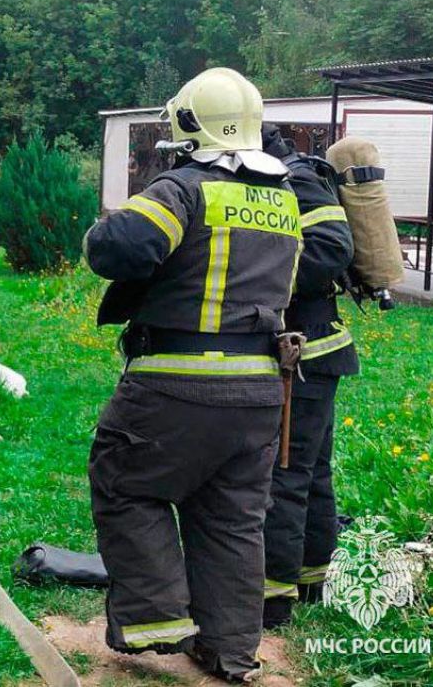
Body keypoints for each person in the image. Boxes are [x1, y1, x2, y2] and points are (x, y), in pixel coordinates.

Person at [83, 67, 303, 683]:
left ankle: (157, 618)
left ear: (188, 124)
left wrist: (101, 228)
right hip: (263, 390)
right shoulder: (285, 199)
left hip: (176, 384)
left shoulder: (186, 187)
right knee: (232, 518)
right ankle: (231, 650)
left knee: (126, 482)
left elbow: (120, 247)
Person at [259, 124, 357, 629]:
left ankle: (273, 599)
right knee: (313, 472)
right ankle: (312, 580)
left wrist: (259, 272)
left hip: (308, 356)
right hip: (316, 355)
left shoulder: (297, 181)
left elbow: (330, 250)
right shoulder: (285, 178)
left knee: (286, 475)